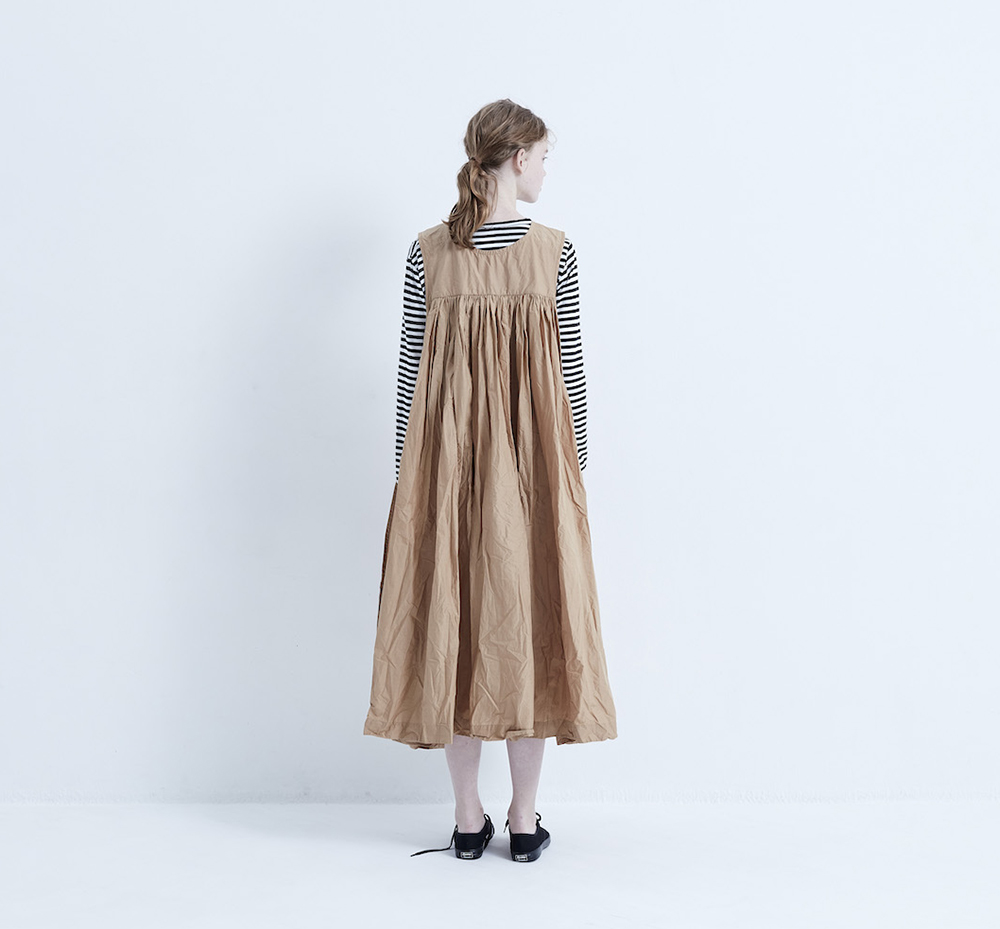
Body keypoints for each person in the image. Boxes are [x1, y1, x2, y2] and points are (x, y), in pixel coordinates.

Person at [363, 99, 617, 862]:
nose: (545, 170)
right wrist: (574, 474)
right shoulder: (555, 252)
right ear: (517, 159)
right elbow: (570, 376)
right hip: (536, 472)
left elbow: (409, 376)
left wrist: (409, 478)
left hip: (447, 474)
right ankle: (523, 818)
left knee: (459, 625)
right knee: (528, 623)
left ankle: (467, 817)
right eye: (543, 157)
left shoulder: (428, 253)